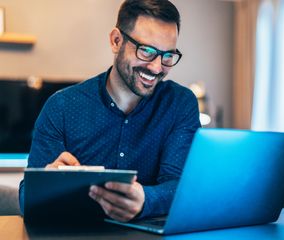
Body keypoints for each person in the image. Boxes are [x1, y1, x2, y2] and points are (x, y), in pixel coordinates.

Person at [19, 0, 201, 222]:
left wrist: (146, 199)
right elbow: (25, 199)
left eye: (167, 56)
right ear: (116, 41)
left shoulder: (180, 105)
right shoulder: (61, 107)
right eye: (146, 51)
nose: (157, 67)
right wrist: (44, 184)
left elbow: (181, 187)